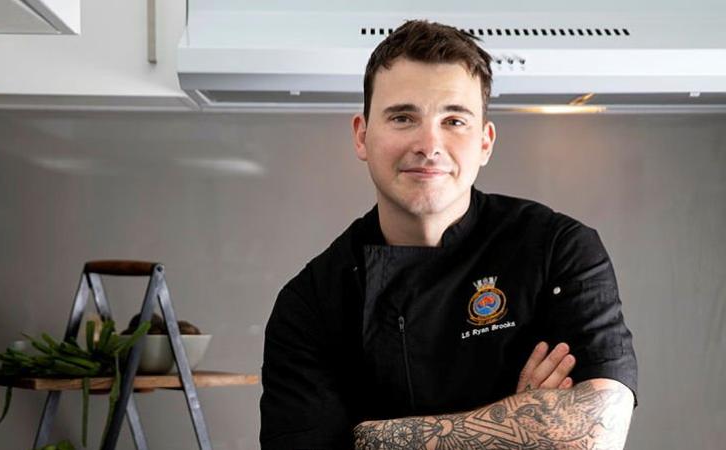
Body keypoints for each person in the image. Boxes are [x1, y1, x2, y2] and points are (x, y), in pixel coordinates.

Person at [260, 19, 638, 449]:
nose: (429, 143)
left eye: (455, 120)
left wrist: (369, 437)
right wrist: (518, 427)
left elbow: (594, 432)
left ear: (485, 142)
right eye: (403, 117)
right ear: (362, 135)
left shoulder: (558, 250)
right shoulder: (312, 303)